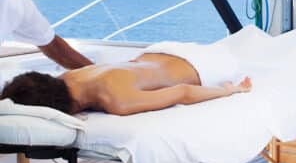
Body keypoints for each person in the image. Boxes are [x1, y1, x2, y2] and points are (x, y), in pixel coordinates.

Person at [0, 43, 252, 116]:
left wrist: (229, 91)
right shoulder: (68, 76)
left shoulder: (117, 101)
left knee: (245, 52)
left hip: (199, 66)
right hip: (160, 49)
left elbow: (183, 92)